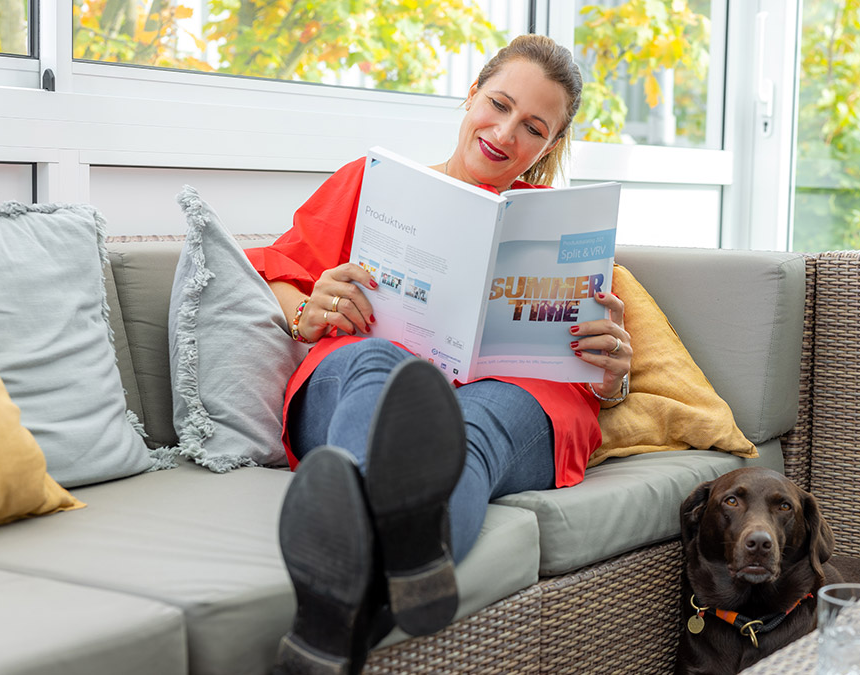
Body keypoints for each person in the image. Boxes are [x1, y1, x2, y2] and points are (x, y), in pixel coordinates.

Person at [245, 34, 633, 675]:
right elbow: (278, 272)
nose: (506, 133)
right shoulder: (371, 183)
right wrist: (308, 307)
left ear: (550, 146)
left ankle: (336, 612)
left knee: (471, 424)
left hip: (512, 398)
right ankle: (413, 566)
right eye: (499, 104)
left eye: (533, 126)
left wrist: (615, 373)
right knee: (381, 367)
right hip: (362, 380)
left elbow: (604, 376)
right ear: (470, 94)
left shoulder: (563, 225)